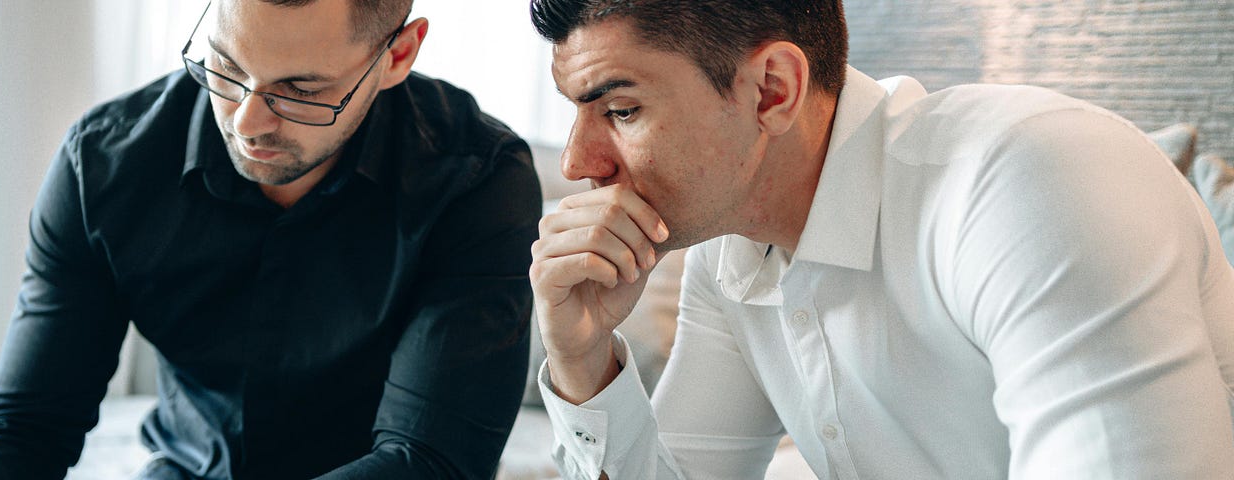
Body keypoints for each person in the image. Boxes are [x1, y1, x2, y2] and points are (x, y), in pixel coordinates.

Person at [524, 0, 1234, 478]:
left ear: (772, 90)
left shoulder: (1030, 181)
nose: (577, 163)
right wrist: (583, 360)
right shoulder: (731, 254)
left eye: (620, 109)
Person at [0, 0, 543, 478]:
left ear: (397, 55)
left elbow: (431, 461)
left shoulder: (476, 180)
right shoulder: (102, 166)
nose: (247, 123)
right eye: (225, 66)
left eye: (301, 91)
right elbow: (26, 423)